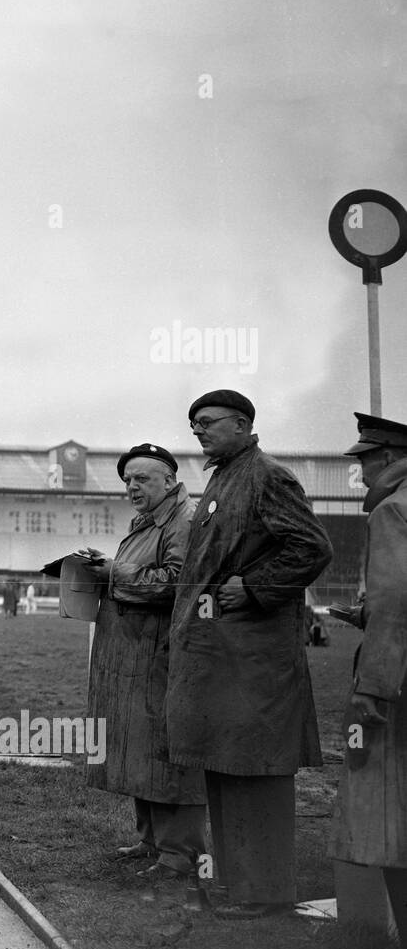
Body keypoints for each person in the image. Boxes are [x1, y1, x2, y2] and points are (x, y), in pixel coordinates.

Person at [165, 390, 332, 919]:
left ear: (242, 424)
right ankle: (240, 886)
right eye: (193, 424)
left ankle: (263, 893)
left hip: (254, 658)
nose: (199, 431)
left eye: (208, 422)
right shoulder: (224, 475)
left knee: (255, 770)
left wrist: (256, 587)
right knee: (225, 766)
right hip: (222, 655)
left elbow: (311, 546)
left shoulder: (266, 475)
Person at [77, 444, 205, 890]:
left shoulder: (184, 520)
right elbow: (138, 573)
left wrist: (115, 570)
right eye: (128, 480)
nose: (132, 487)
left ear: (169, 480)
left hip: (161, 655)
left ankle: (179, 853)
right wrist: (104, 569)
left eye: (143, 479)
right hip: (131, 655)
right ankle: (151, 841)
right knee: (137, 746)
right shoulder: (147, 521)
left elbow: (177, 583)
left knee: (166, 754)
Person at [329, 412, 407, 949]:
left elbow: (398, 604)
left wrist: (373, 689)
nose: (359, 474)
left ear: (385, 458)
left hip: (397, 690)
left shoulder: (393, 509)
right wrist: (368, 613)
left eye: (362, 462)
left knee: (388, 824)